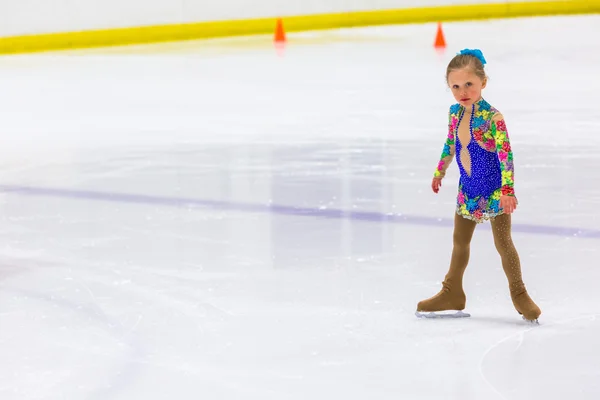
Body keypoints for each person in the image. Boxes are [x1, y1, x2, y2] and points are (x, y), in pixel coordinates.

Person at [416, 48, 541, 322]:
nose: (462, 91)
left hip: (494, 190)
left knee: (503, 243)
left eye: (469, 84)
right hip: (468, 189)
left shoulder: (493, 117)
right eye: (455, 86)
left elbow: (505, 155)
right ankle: (452, 291)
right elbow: (451, 144)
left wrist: (508, 190)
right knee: (459, 242)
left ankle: (520, 295)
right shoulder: (454, 113)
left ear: (483, 82)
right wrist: (440, 172)